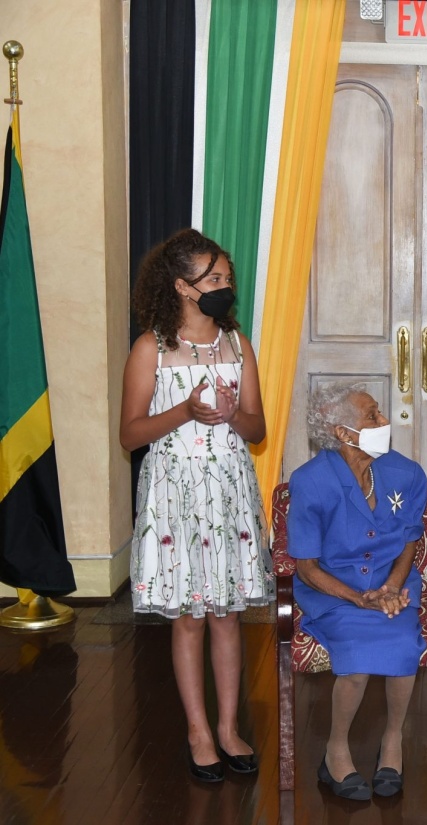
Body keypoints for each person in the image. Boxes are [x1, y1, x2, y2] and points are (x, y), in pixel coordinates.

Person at [119, 229, 271, 782]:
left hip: (228, 492)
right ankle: (198, 731)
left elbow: (258, 429)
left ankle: (229, 727)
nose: (224, 287)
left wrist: (232, 413)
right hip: (174, 494)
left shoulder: (237, 346)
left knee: (227, 615)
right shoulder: (151, 349)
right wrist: (185, 410)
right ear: (183, 287)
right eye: (213, 280)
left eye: (227, 278)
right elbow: (130, 436)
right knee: (189, 618)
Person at [287, 383, 427, 801]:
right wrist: (356, 598)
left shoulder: (406, 473)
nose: (384, 422)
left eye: (380, 413)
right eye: (372, 416)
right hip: (332, 589)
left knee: (402, 640)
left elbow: (409, 543)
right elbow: (306, 566)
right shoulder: (310, 482)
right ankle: (335, 750)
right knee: (358, 656)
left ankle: (392, 741)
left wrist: (390, 587)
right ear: (343, 433)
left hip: (392, 584)